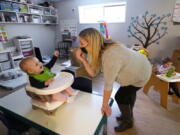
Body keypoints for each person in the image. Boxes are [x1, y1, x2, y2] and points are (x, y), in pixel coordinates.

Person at [75, 28, 152, 132]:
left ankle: (128, 121)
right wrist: (83, 59)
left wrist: (105, 105)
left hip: (141, 73)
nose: (80, 46)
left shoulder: (110, 55)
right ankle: (128, 114)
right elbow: (93, 73)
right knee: (128, 94)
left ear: (92, 43)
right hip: (139, 66)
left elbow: (108, 85)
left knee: (120, 96)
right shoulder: (102, 47)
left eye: (82, 43)